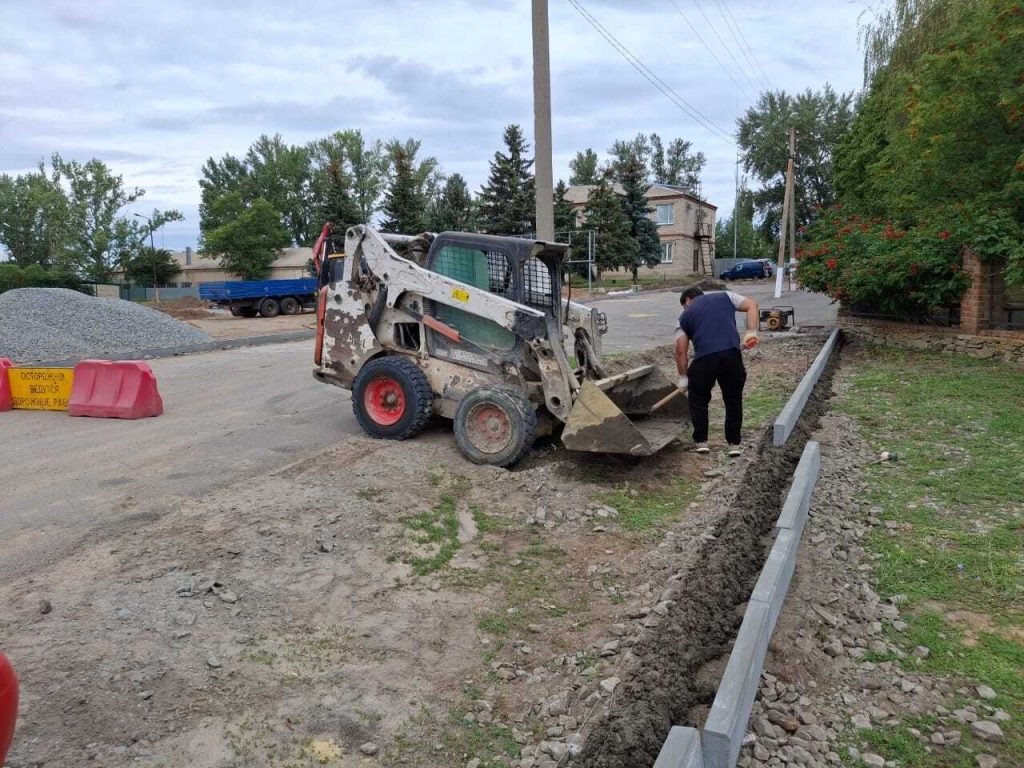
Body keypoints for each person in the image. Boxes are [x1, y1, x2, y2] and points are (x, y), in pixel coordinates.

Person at [675, 286, 759, 457]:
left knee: (698, 399)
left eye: (685, 306)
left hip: (704, 359)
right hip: (731, 355)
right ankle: (734, 443)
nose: (686, 309)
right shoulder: (726, 297)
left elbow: (680, 351)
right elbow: (752, 305)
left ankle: (701, 442)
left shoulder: (683, 317)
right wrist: (751, 332)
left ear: (688, 301)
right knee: (733, 400)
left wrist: (683, 377)